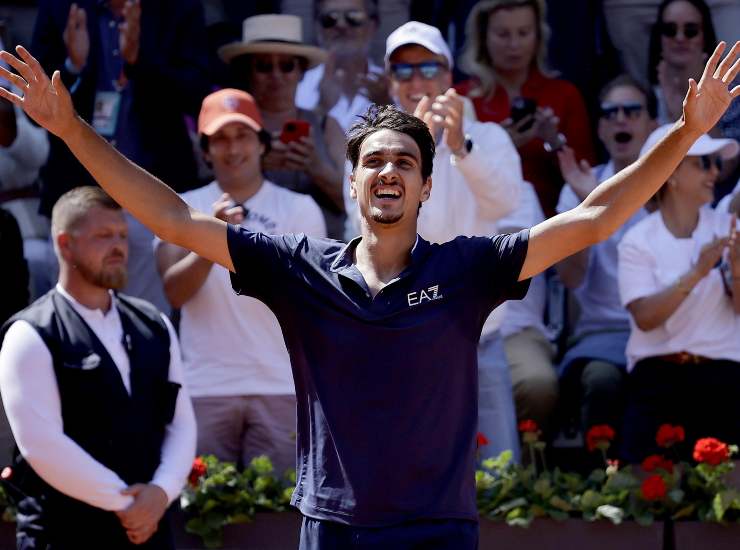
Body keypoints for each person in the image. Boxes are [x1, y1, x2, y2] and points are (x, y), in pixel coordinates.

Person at [1, 38, 737, 549]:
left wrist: (680, 131)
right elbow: (167, 215)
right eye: (374, 161)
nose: (388, 171)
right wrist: (69, 130)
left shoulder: (468, 267)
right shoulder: (299, 266)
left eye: (404, 163)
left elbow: (594, 216)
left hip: (439, 531)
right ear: (352, 183)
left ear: (423, 184)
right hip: (334, 530)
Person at [353, 20, 525, 460]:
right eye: (404, 71)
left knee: (499, 473)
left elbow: (506, 203)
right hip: (404, 336)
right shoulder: (371, 149)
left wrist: (461, 147)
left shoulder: (488, 137)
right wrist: (418, 148)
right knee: (406, 469)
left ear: (449, 76)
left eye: (428, 68)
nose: (417, 81)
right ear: (390, 81)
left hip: (477, 334)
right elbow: (376, 225)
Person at [0, 186, 196, 548]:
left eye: (121, 235)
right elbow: (41, 445)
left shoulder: (155, 324)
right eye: (103, 236)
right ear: (65, 243)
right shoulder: (30, 332)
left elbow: (181, 423)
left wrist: (160, 493)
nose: (119, 246)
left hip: (149, 530)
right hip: (63, 533)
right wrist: (129, 504)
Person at [155, 88, 325, 475]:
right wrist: (211, 237)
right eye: (220, 138)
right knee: (203, 521)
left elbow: (306, 296)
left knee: (279, 516)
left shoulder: (300, 209)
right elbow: (174, 292)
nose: (233, 149)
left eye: (243, 135)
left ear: (263, 144)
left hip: (281, 384)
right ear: (205, 149)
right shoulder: (178, 207)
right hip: (205, 387)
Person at [29, 0, 212, 312]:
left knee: (149, 321)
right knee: (74, 318)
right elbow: (36, 110)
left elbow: (197, 94)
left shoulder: (179, 8)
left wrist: (140, 62)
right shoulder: (60, 7)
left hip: (157, 198)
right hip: (78, 194)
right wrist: (73, 67)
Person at [618, 124, 740, 462]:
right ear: (669, 172)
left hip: (724, 377)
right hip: (658, 378)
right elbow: (645, 318)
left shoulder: (728, 227)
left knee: (729, 502)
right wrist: (699, 271)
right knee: (647, 498)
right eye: (703, 163)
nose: (715, 172)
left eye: (716, 162)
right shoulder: (638, 240)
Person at [556, 75, 658, 447]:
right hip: (602, 337)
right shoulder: (578, 187)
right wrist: (587, 212)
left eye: (632, 111)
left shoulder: (676, 185)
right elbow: (570, 278)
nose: (621, 119)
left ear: (653, 125)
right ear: (600, 128)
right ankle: (599, 490)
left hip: (663, 333)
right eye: (610, 113)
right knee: (602, 382)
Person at [456, 0, 596, 217]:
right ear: (483, 37)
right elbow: (448, 176)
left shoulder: (564, 94)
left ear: (538, 36)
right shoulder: (461, 98)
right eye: (503, 34)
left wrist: (554, 141)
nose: (514, 44)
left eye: (524, 33)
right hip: (480, 223)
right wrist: (498, 145)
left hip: (551, 223)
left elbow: (589, 174)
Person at [221, 14, 346, 239]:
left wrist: (315, 167)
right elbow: (205, 191)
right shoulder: (228, 126)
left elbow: (356, 203)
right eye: (264, 66)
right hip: (247, 250)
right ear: (247, 71)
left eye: (287, 66)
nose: (276, 75)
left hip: (320, 253)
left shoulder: (326, 125)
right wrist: (251, 168)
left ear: (301, 72)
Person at [296, 0, 391, 132]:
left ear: (373, 25)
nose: (341, 25)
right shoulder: (296, 87)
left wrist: (387, 106)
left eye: (353, 17)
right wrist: (321, 108)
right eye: (330, 18)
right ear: (317, 27)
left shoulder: (393, 86)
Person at [647, 0, 718, 124]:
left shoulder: (731, 92)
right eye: (670, 30)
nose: (680, 38)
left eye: (691, 30)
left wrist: (681, 113)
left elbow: (729, 142)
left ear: (705, 37)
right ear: (659, 38)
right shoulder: (642, 97)